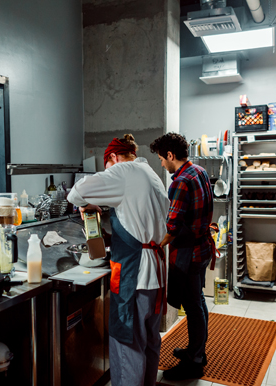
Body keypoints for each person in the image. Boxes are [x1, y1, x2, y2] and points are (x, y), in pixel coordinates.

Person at [67, 134, 169, 386]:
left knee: (128, 344)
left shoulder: (123, 170)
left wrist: (86, 203)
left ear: (113, 157)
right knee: (149, 340)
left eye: (106, 167)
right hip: (156, 275)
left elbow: (75, 193)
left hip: (135, 276)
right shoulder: (152, 174)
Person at [149, 133, 215, 381]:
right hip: (203, 249)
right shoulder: (199, 171)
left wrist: (153, 244)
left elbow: (172, 227)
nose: (162, 165)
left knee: (193, 306)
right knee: (198, 301)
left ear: (170, 155)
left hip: (190, 254)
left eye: (161, 159)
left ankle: (194, 362)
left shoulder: (180, 182)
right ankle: (198, 351)